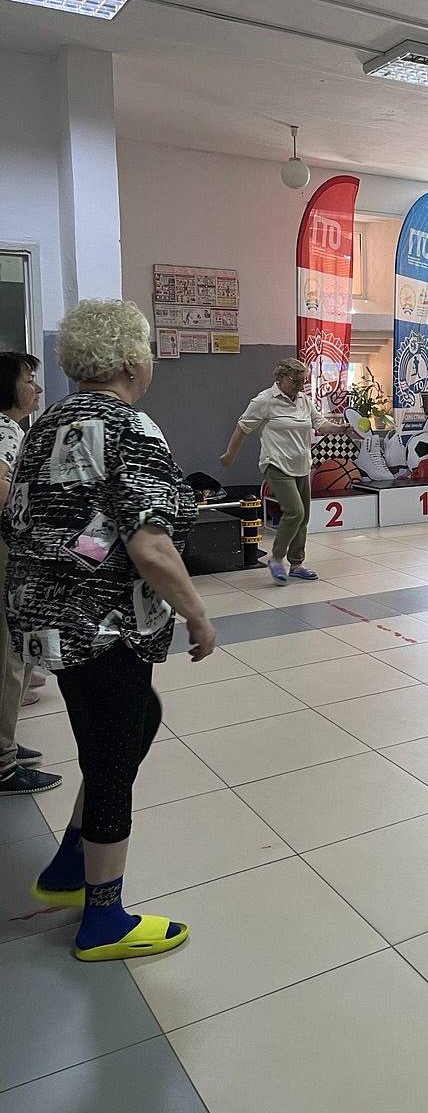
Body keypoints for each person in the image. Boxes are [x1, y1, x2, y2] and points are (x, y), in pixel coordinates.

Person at [2, 300, 215, 962]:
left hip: (47, 617)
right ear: (130, 361)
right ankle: (103, 918)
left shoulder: (46, 423)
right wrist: (197, 612)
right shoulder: (131, 428)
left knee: (135, 721)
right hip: (103, 625)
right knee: (111, 760)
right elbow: (150, 546)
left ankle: (71, 861)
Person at [220, 359, 347, 585]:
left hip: (301, 465)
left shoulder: (304, 400)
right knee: (295, 512)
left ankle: (296, 564)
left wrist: (339, 428)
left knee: (303, 517)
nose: (299, 385)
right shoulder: (264, 400)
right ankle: (276, 558)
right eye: (295, 381)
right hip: (276, 464)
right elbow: (242, 428)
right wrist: (230, 454)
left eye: (302, 381)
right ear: (280, 377)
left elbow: (319, 423)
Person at [0, 351, 60, 794]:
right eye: (27, 380)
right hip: (8, 553)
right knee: (8, 657)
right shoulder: (2, 431)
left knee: (15, 654)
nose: (36, 388)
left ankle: (4, 741)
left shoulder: (13, 430)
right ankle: (2, 762)